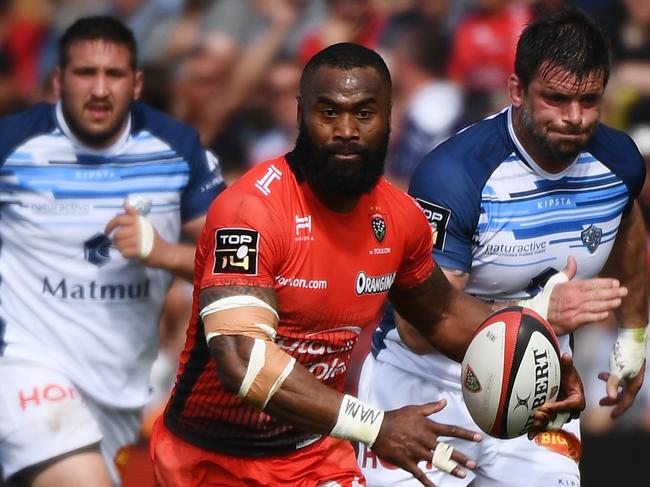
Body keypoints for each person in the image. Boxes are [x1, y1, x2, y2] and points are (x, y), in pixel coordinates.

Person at [150, 42, 585, 487]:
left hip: (313, 456)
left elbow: (443, 316)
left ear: (390, 117)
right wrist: (375, 427)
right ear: (301, 115)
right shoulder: (249, 211)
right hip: (211, 462)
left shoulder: (400, 218)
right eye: (328, 112)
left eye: (364, 113)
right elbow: (242, 360)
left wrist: (542, 360)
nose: (346, 130)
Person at [358, 8, 647, 487]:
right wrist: (536, 312)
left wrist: (634, 337)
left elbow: (628, 228)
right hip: (424, 387)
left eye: (589, 100)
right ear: (516, 90)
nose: (574, 118)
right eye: (555, 99)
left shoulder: (619, 162)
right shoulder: (454, 176)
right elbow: (417, 326)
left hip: (539, 387)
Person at [0, 15, 225, 487]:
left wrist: (162, 252)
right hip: (24, 367)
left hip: (121, 391)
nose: (100, 89)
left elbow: (236, 262)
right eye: (85, 73)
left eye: (114, 74)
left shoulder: (179, 149)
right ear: (59, 80)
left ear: (137, 83)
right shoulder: (12, 145)